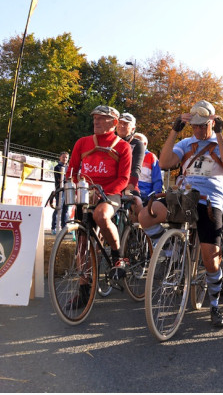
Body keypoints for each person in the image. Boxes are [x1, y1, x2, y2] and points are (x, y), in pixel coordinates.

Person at [138, 100, 223, 328]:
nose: (199, 130)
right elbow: (164, 163)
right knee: (146, 215)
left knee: (210, 258)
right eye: (195, 126)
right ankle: (173, 252)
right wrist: (174, 130)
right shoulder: (185, 142)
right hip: (182, 197)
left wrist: (219, 135)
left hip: (210, 201)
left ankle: (214, 304)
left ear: (212, 122)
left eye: (203, 125)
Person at [66, 106, 132, 306]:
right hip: (85, 193)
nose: (96, 122)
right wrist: (75, 185)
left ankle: (117, 256)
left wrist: (103, 193)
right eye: (95, 118)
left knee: (101, 216)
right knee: (82, 243)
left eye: (102, 119)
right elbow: (72, 169)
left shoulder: (122, 147)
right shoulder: (82, 142)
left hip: (110, 193)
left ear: (113, 123)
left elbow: (124, 179)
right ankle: (84, 289)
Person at [116, 113, 145, 194]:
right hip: (110, 183)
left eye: (125, 124)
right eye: (120, 122)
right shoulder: (110, 142)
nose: (121, 125)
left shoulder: (137, 144)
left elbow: (136, 168)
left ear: (133, 129)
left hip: (127, 184)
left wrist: (130, 187)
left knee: (136, 203)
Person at [132, 133, 163, 202]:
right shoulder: (128, 155)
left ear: (145, 144)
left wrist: (155, 196)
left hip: (146, 196)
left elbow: (157, 179)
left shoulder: (151, 157)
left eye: (138, 142)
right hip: (130, 192)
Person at [51, 151, 69, 234]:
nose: (65, 159)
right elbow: (60, 179)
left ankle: (64, 227)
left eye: (66, 157)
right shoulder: (57, 167)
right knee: (59, 209)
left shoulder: (69, 167)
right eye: (63, 157)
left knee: (66, 210)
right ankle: (54, 227)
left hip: (67, 191)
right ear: (60, 158)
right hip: (60, 191)